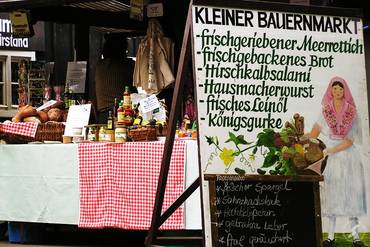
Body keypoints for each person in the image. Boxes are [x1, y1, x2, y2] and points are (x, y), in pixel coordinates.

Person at [310, 77, 367, 247]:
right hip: (332, 157)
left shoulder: (353, 112)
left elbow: (350, 141)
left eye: (340, 89)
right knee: (332, 194)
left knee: (351, 194)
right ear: (330, 91)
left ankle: (355, 237)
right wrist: (297, 138)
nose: (337, 92)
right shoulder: (325, 111)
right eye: (334, 89)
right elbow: (314, 132)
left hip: (348, 157)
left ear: (345, 91)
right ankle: (331, 237)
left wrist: (329, 151)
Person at [95, 34, 136, 123]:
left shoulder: (99, 65)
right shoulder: (128, 65)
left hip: (102, 116)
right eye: (125, 49)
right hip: (122, 114)